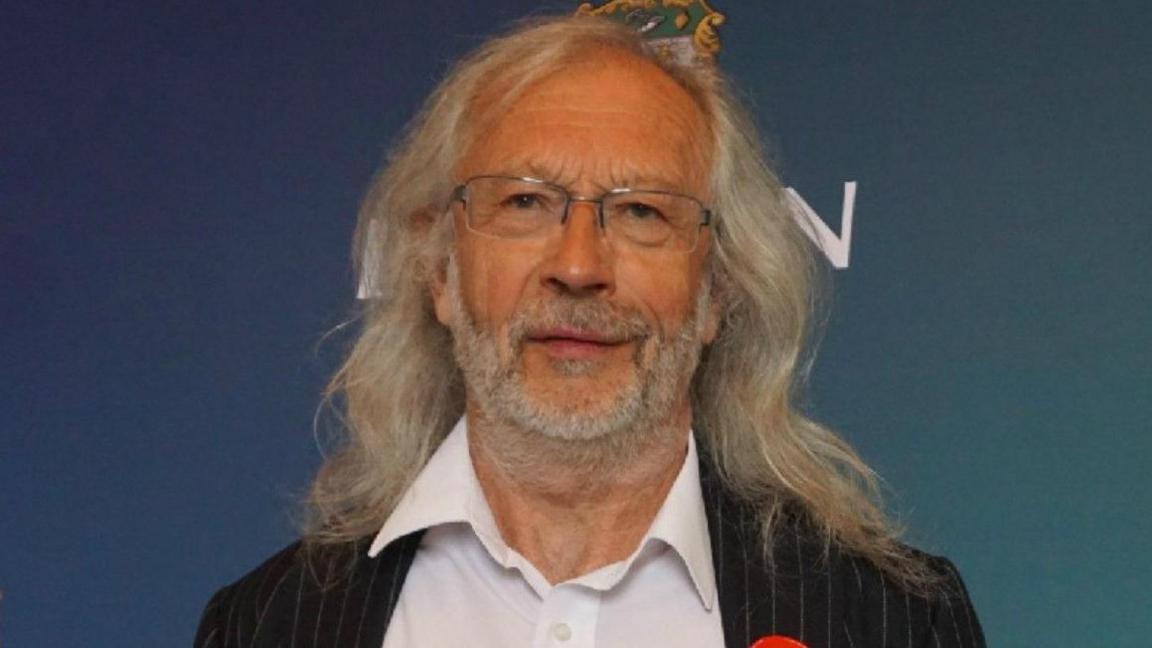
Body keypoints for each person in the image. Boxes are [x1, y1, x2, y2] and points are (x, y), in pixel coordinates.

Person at [195, 15, 984, 648]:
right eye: (524, 204)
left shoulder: (895, 622)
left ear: (714, 292)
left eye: (641, 211)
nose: (578, 265)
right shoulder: (265, 625)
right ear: (439, 270)